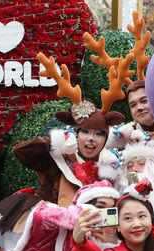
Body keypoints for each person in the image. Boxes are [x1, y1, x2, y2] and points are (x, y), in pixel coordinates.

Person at [15, 54, 124, 206]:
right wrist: (52, 143)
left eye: (99, 133)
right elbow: (20, 152)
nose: (91, 138)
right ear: (76, 134)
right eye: (85, 131)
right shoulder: (60, 159)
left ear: (106, 138)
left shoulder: (112, 167)